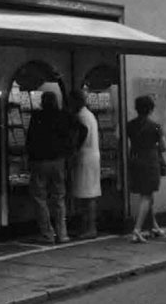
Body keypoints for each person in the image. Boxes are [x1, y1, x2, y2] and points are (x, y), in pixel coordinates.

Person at [25, 91, 74, 244]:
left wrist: (29, 158)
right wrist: (69, 152)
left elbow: (30, 139)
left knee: (40, 197)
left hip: (40, 161)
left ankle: (47, 234)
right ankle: (62, 233)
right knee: (59, 197)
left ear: (42, 102)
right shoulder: (63, 116)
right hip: (58, 160)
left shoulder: (37, 116)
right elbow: (74, 132)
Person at [127, 95, 166, 243]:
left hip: (135, 160)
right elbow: (163, 146)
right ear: (150, 109)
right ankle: (137, 230)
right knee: (147, 196)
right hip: (150, 162)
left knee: (147, 195)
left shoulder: (130, 125)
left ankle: (154, 226)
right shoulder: (155, 126)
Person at [68, 89, 101, 239]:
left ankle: (89, 228)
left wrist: (74, 149)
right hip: (92, 156)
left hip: (85, 158)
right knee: (89, 194)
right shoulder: (89, 115)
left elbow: (83, 132)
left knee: (86, 195)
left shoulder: (81, 116)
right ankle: (88, 227)